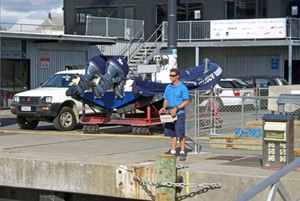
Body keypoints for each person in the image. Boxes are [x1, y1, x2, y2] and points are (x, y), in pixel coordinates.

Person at [159, 68, 189, 161]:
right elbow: (165, 99)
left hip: (179, 113)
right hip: (169, 113)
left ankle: (182, 152)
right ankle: (172, 151)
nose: (171, 77)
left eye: (173, 75)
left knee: (180, 133)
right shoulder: (168, 87)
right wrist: (164, 108)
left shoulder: (182, 88)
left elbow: (186, 101)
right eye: (170, 75)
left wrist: (177, 108)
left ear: (177, 76)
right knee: (171, 133)